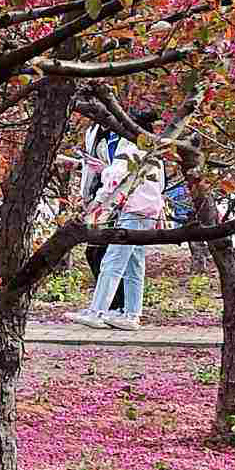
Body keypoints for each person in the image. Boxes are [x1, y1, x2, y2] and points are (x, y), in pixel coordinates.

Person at [70, 111, 164, 331]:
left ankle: (98, 311)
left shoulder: (129, 147)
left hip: (133, 210)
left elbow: (115, 177)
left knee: (112, 262)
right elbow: (159, 184)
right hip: (147, 210)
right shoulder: (153, 149)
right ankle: (131, 314)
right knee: (134, 264)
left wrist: (99, 202)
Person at [77, 120, 129, 313]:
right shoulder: (95, 132)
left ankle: (116, 306)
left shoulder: (125, 137)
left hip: (117, 198)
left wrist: (103, 170)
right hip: (101, 196)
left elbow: (120, 171)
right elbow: (92, 170)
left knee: (105, 253)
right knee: (99, 253)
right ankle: (115, 306)